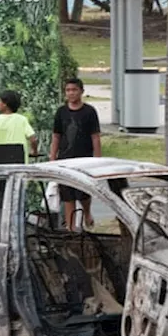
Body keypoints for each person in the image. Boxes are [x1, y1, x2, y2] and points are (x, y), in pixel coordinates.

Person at [50, 77, 102, 229]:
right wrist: (53, 157)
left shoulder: (89, 112)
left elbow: (95, 137)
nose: (71, 93)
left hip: (84, 159)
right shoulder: (61, 112)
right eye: (68, 90)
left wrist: (97, 160)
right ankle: (71, 228)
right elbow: (56, 136)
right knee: (67, 195)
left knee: (83, 192)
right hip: (65, 159)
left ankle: (87, 212)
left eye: (74, 90)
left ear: (81, 92)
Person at [0, 90, 39, 163]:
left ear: (5, 104)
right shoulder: (22, 120)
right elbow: (33, 139)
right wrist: (34, 151)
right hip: (18, 160)